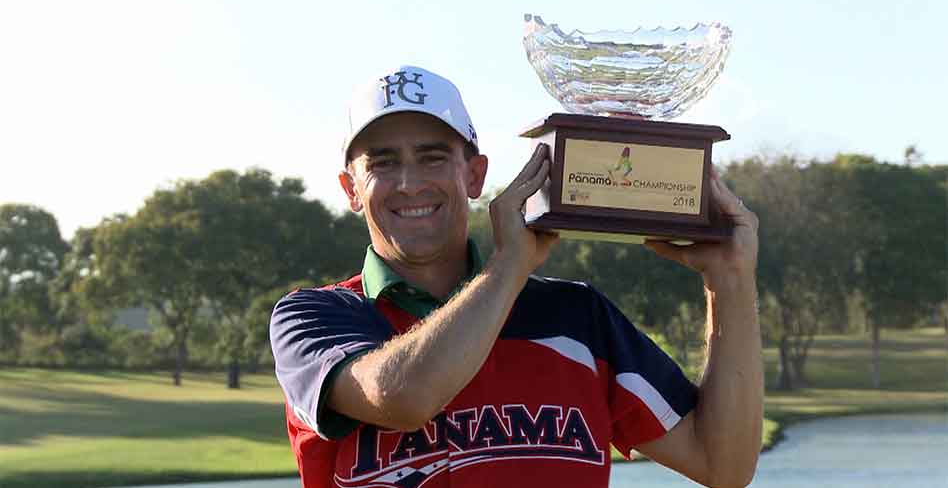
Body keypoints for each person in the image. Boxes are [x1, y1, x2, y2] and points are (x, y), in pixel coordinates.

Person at [269, 64, 762, 488]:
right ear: (350, 189)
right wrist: (510, 265)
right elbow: (404, 398)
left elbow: (723, 463)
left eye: (432, 157)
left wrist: (730, 281)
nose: (410, 183)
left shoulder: (576, 318)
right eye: (383, 163)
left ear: (475, 175)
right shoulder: (313, 318)